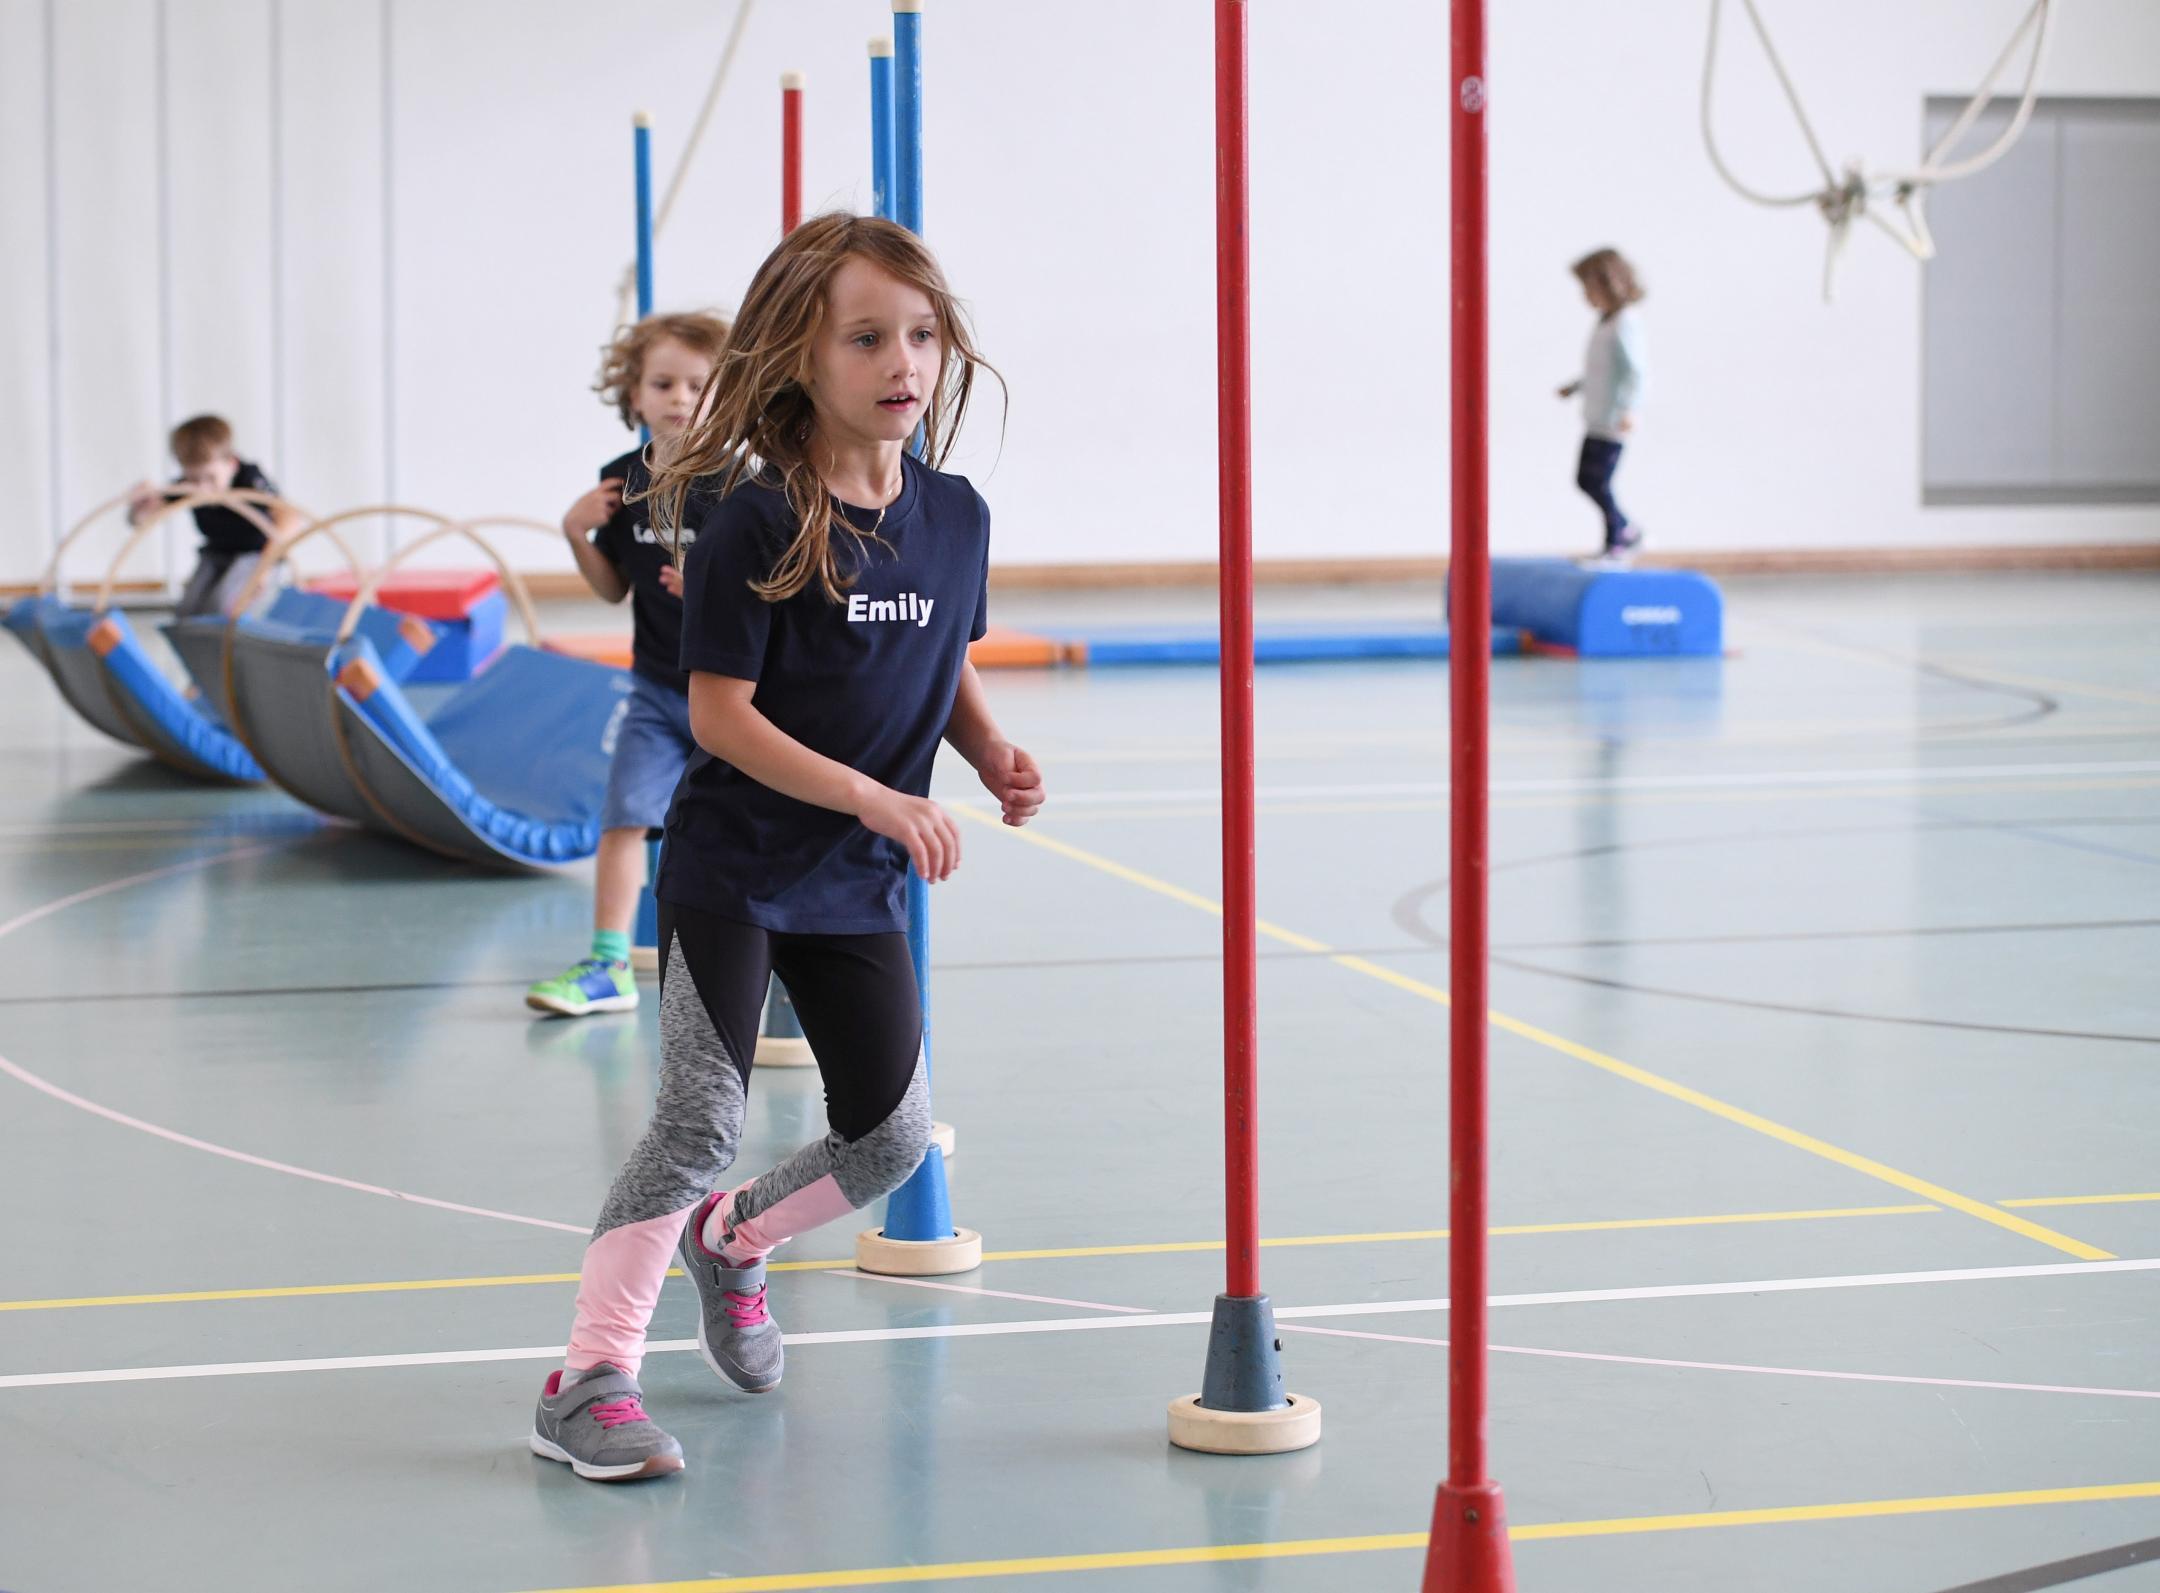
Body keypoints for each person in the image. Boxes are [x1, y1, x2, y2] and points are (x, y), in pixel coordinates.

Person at [529, 213, 1044, 1481]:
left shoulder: (957, 515)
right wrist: (877, 797)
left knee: (891, 1138)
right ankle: (589, 1377)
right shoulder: (757, 524)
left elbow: (943, 656)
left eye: (921, 335)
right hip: (735, 869)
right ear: (799, 359)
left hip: (855, 885)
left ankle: (736, 1243)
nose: (902, 361)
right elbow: (719, 717)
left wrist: (985, 751)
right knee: (700, 1119)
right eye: (866, 337)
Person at [526, 311, 733, 1019]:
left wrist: (706, 586)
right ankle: (607, 964)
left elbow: (768, 591)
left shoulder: (735, 481)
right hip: (654, 688)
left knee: (733, 829)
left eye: (699, 385)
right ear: (635, 395)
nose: (680, 398)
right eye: (663, 382)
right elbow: (613, 588)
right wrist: (575, 530)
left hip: (732, 694)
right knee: (622, 819)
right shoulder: (620, 481)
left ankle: (748, 958)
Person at [126, 416, 298, 618]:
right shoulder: (186, 486)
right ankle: (195, 645)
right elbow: (141, 521)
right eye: (194, 478)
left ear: (231, 464)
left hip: (253, 554)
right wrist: (140, 506)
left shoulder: (250, 480)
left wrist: (264, 569)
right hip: (216, 554)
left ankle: (223, 643)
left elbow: (289, 518)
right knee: (187, 610)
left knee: (221, 606)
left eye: (211, 478)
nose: (202, 488)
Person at [1556, 248, 1648, 568]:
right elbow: (1602, 369)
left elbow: (1635, 372)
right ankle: (1621, 533)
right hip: (1596, 416)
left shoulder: (1625, 324)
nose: (1585, 296)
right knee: (1585, 479)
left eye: (1589, 288)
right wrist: (1576, 386)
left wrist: (1630, 410)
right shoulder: (1605, 323)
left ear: (1609, 284)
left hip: (1613, 420)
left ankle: (1622, 536)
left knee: (1598, 481)